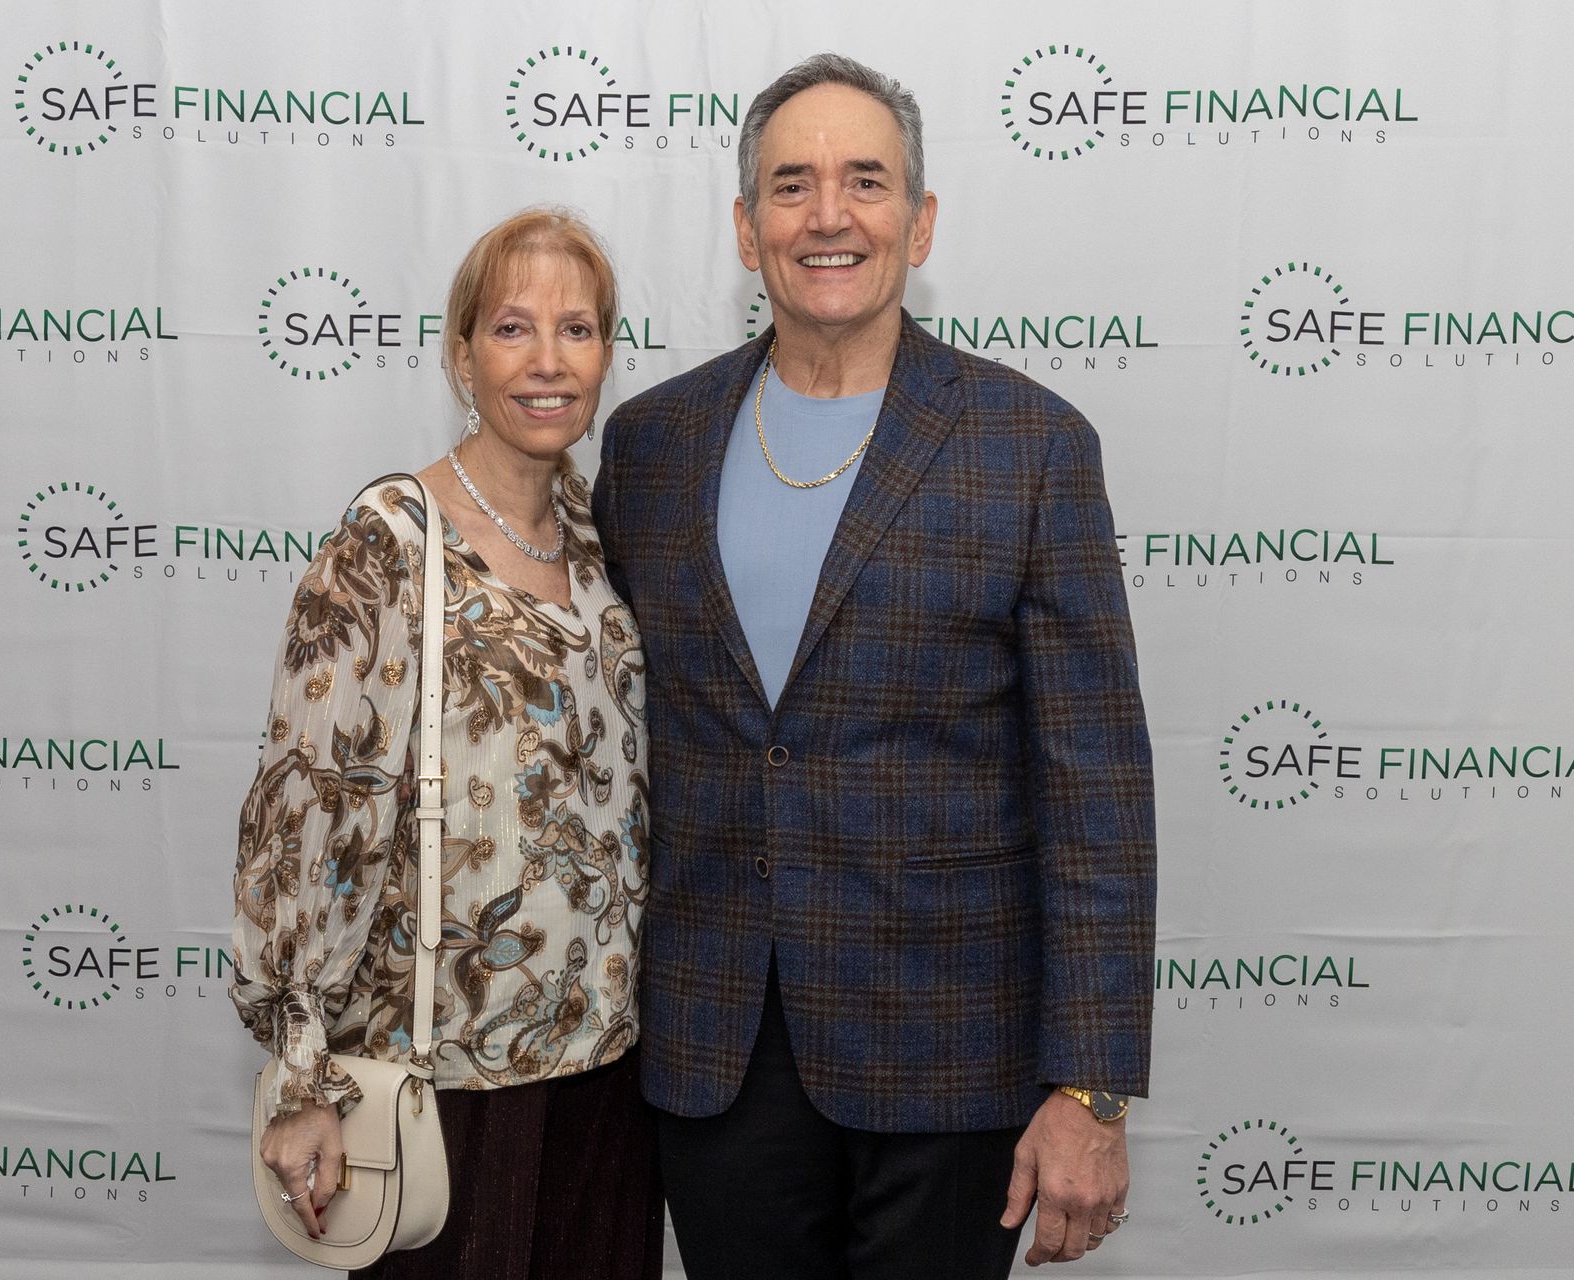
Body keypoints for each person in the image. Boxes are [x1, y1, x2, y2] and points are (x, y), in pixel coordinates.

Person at [593, 54, 1156, 1278]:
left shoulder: (1033, 445)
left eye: (866, 181)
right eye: (791, 186)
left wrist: (1094, 1087)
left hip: (954, 1059)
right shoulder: (651, 443)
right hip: (714, 1047)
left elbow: (1096, 796)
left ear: (922, 218)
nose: (829, 215)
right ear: (747, 231)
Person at [230, 207, 662, 1280]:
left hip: (607, 1068)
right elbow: (308, 813)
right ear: (461, 351)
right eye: (514, 328)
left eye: (579, 329)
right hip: (444, 1076)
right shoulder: (387, 544)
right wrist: (303, 1079)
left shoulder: (607, 544)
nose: (549, 362)